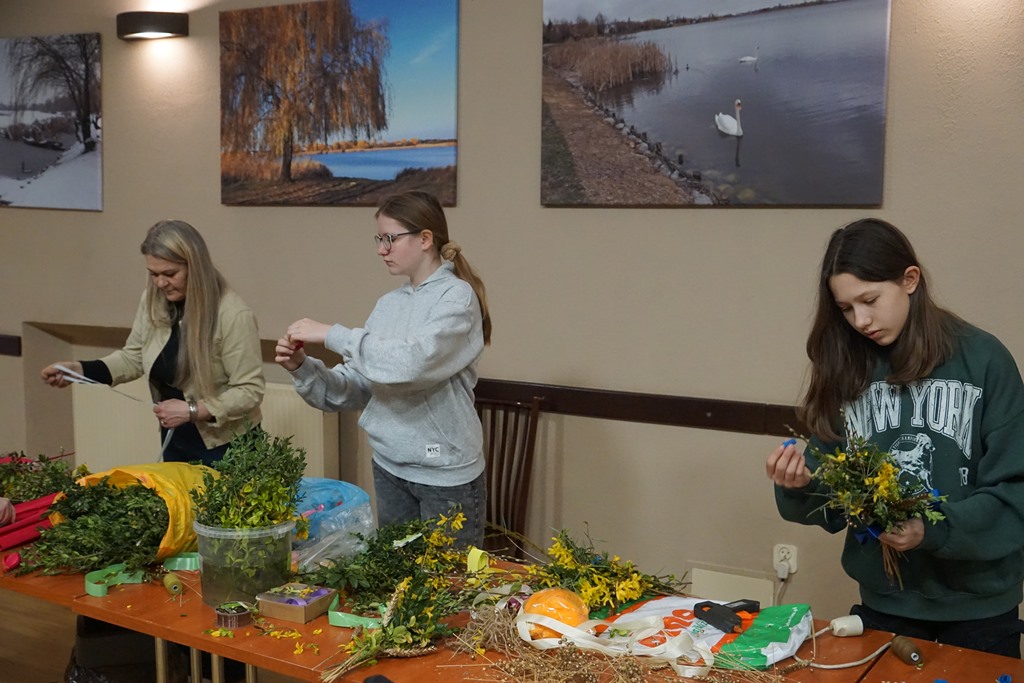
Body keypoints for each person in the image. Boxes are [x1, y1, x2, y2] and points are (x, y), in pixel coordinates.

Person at [766, 218, 1024, 657]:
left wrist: (932, 531)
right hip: (885, 602)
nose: (860, 320)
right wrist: (800, 484)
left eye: (869, 300)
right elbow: (830, 495)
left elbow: (1014, 494)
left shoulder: (984, 360)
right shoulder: (847, 366)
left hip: (980, 609)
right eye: (846, 309)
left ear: (909, 280)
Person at [275, 190, 491, 548]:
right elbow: (358, 385)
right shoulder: (388, 305)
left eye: (390, 238)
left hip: (445, 476)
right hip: (390, 467)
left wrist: (331, 333)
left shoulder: (457, 298)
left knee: (451, 591)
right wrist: (303, 369)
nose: (381, 249)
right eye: (379, 239)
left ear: (425, 239)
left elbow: (412, 364)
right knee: (396, 582)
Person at [41, 219, 265, 466]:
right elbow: (133, 357)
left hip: (228, 447)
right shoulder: (153, 299)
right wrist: (80, 371)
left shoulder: (233, 314)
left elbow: (249, 391)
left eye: (170, 274)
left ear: (195, 267)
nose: (160, 283)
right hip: (176, 441)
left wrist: (192, 410)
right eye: (153, 274)